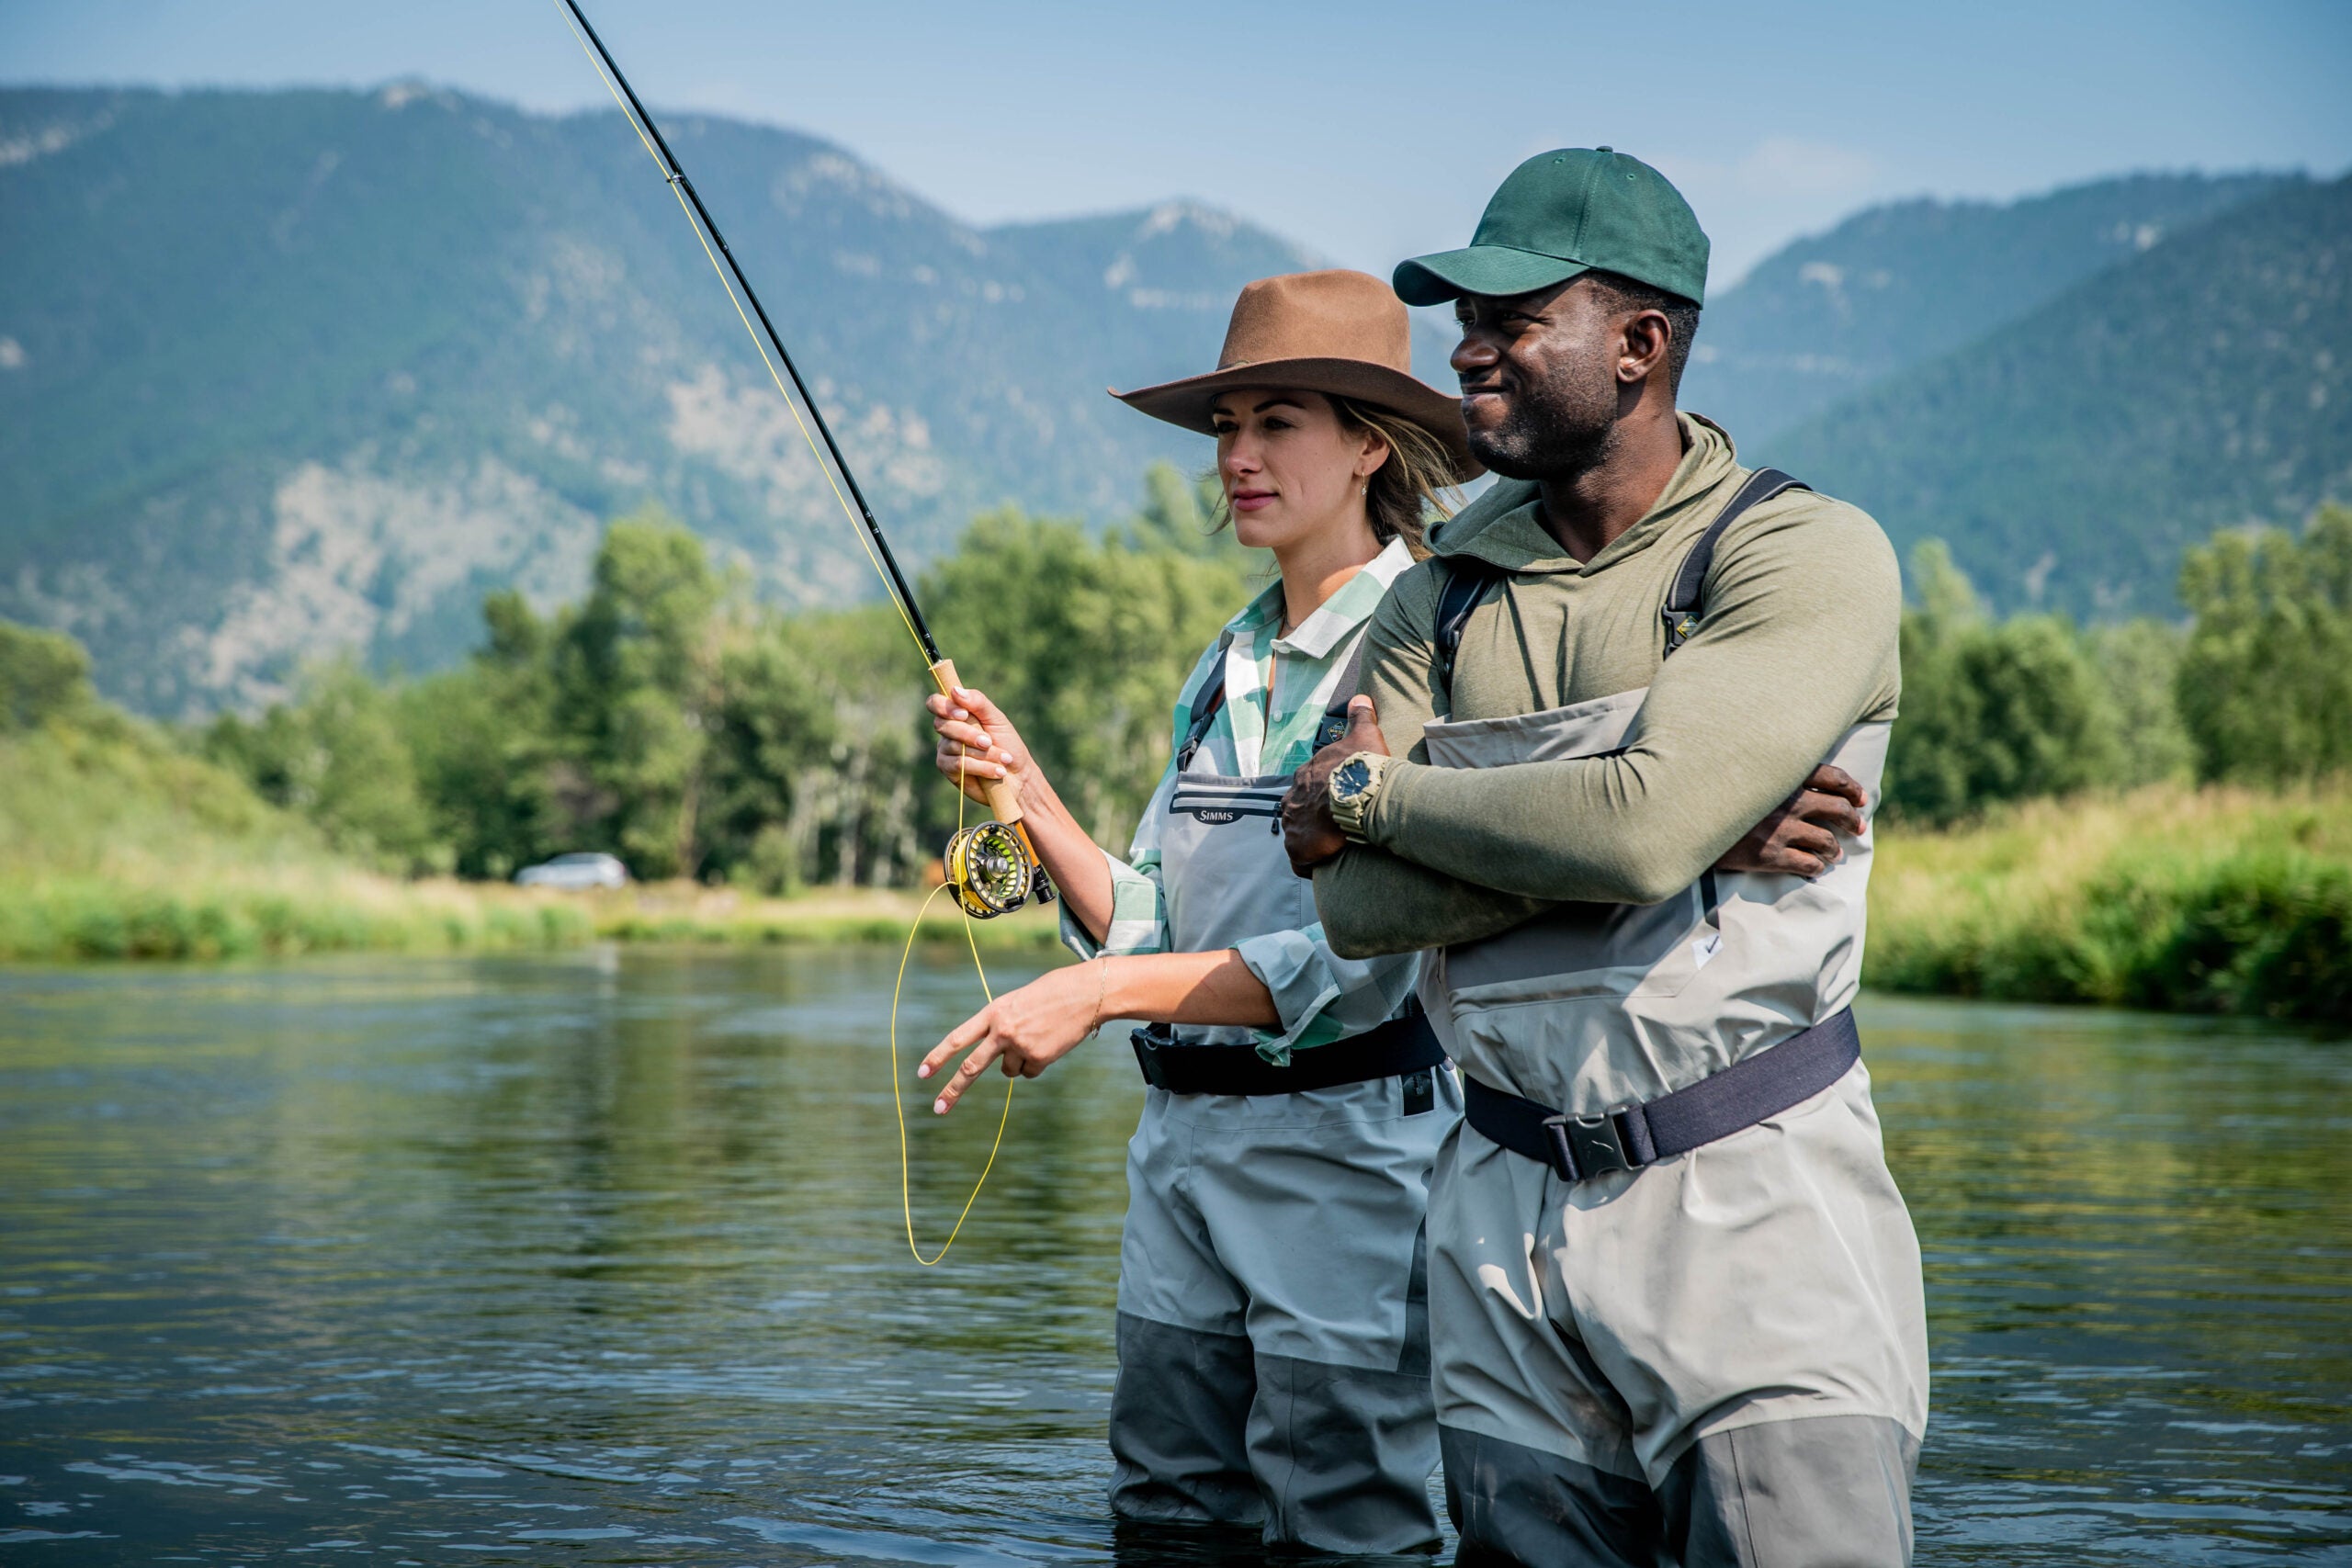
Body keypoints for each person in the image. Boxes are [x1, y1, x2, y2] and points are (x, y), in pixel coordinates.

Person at [920, 269, 1883, 1557]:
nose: (1238, 457)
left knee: (1345, 1525)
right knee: (1167, 1509)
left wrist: (1094, 996)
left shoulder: (1430, 631)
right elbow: (1149, 919)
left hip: (1351, 1155)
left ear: (1372, 446)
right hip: (1179, 1153)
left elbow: (1357, 956)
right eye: (1226, 428)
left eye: (1277, 424)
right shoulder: (1223, 662)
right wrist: (1026, 791)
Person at [1283, 150, 1930, 1565]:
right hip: (1494, 1228)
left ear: (1640, 343)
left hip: (1751, 1206)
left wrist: (1377, 792)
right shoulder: (1439, 594)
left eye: (1513, 321)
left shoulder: (1802, 552)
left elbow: (1622, 833)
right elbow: (1358, 909)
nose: (1468, 351)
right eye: (1467, 320)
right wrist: (1684, 824)